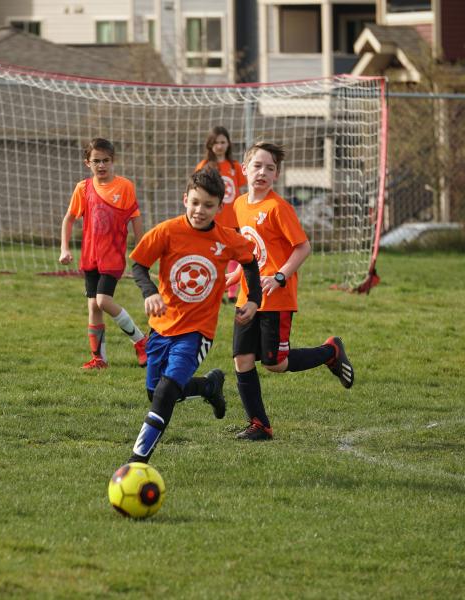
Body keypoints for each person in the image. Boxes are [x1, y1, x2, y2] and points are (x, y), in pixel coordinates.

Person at [125, 166, 262, 464]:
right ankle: (208, 386)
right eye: (195, 203)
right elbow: (138, 265)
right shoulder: (167, 231)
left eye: (208, 206)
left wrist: (253, 299)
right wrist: (150, 293)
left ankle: (136, 463)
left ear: (219, 208)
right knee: (156, 393)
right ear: (185, 199)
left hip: (197, 332)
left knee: (164, 393)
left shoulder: (226, 239)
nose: (200, 210)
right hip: (161, 328)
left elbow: (250, 261)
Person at [228, 141, 354, 441]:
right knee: (242, 359)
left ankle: (330, 352)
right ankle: (260, 424)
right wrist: (232, 277)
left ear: (277, 175)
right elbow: (250, 253)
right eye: (257, 166)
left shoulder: (278, 208)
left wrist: (281, 276)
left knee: (275, 363)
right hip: (248, 297)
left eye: (270, 168)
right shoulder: (238, 206)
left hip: (276, 298)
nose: (262, 172)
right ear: (244, 170)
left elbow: (303, 247)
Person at [59, 137, 148, 370]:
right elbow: (68, 219)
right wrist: (64, 248)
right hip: (90, 256)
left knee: (103, 300)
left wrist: (141, 247)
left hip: (112, 256)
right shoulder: (83, 188)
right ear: (87, 163)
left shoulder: (125, 187)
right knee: (93, 307)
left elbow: (135, 218)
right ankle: (100, 359)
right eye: (96, 161)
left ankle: (141, 341)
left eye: (106, 160)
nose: (101, 165)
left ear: (113, 161)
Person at [195, 126, 247, 304]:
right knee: (214, 255)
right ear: (210, 144)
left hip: (233, 218)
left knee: (234, 255)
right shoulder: (204, 166)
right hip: (213, 219)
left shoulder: (235, 167)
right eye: (216, 142)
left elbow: (238, 190)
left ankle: (232, 293)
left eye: (223, 142)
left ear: (228, 144)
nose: (219, 146)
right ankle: (213, 290)